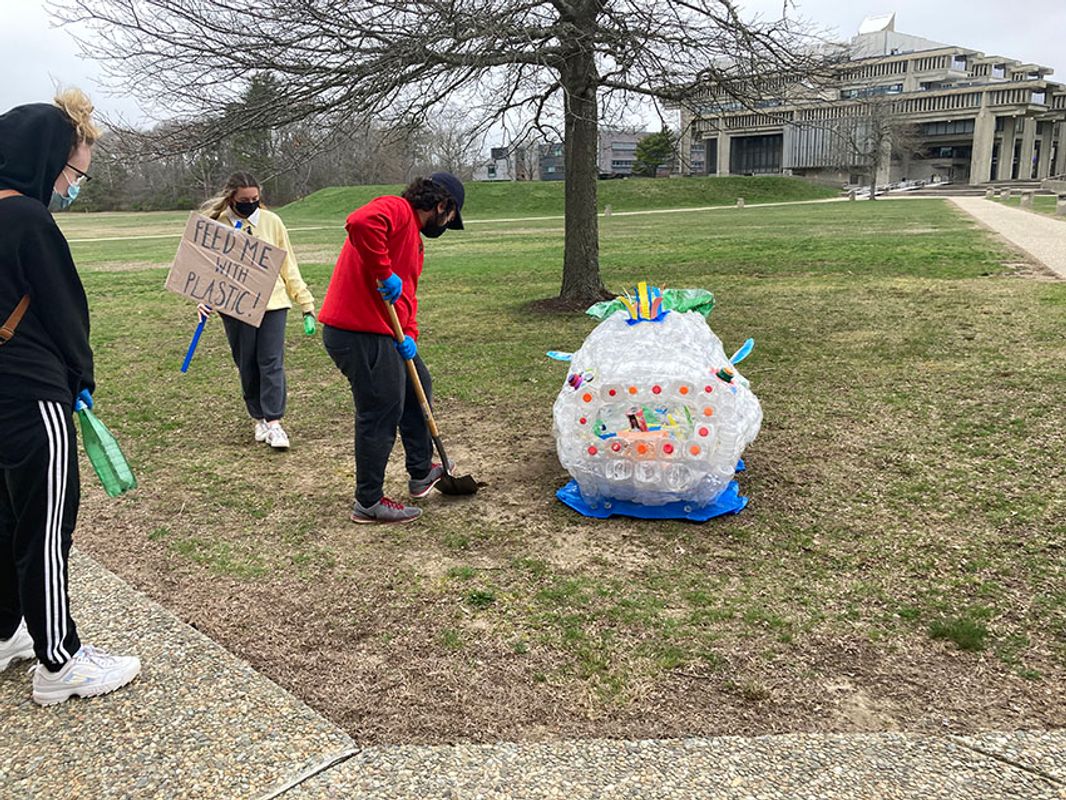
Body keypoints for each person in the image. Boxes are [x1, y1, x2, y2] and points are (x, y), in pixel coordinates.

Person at [0, 90, 141, 705]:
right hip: (33, 395)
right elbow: (64, 312)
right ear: (47, 157)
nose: (71, 183)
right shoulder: (27, 219)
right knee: (47, 528)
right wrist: (81, 377)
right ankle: (61, 662)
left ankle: (6, 631)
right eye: (74, 169)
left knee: (6, 520)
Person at [320, 173, 465, 524]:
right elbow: (360, 222)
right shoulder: (397, 209)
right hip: (356, 331)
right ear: (441, 205)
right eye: (449, 217)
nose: (446, 224)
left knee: (420, 387)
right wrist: (384, 272)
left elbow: (407, 296)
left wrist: (409, 334)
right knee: (381, 410)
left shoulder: (415, 242)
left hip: (388, 333)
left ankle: (420, 472)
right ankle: (368, 502)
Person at [196, 172, 316, 450]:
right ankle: (258, 417)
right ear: (231, 198)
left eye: (255, 199)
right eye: (244, 200)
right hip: (235, 305)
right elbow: (204, 268)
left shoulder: (272, 223)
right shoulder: (216, 225)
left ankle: (274, 422)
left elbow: (289, 265)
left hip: (273, 303)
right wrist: (202, 298)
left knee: (271, 361)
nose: (250, 204)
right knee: (247, 363)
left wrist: (305, 303)